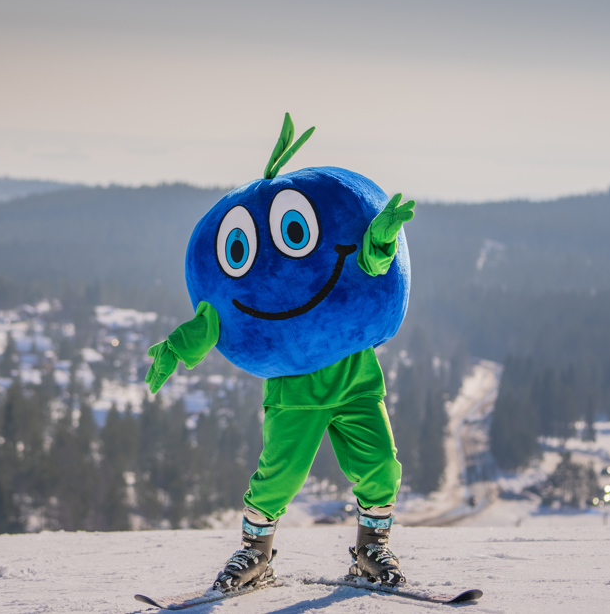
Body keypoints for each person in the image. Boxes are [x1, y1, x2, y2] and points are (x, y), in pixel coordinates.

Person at [144, 113, 415, 591]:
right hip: (294, 391)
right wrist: (175, 348)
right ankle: (254, 555)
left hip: (356, 380)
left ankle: (371, 551)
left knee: (380, 465)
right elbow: (212, 320)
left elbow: (367, 263)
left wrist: (381, 241)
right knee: (279, 477)